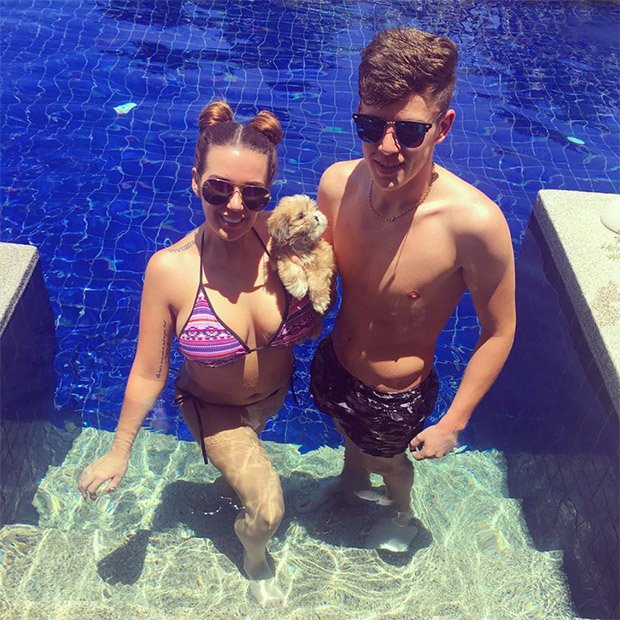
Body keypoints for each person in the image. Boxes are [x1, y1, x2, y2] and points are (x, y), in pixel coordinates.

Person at [78, 101, 318, 607]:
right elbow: (150, 371)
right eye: (218, 189)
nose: (235, 206)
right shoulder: (171, 270)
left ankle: (239, 481)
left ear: (269, 194)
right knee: (268, 512)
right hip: (215, 408)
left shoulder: (286, 245)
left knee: (253, 476)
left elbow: (332, 287)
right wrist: (120, 450)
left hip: (274, 399)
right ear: (195, 181)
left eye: (253, 194)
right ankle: (253, 557)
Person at [298, 27, 516, 552]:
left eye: (410, 131)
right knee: (349, 438)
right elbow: (316, 276)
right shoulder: (336, 185)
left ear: (444, 127)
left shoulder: (474, 225)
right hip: (335, 365)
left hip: (395, 394)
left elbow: (499, 331)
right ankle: (351, 481)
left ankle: (400, 511)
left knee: (389, 462)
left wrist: (453, 424)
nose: (387, 148)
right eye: (371, 126)